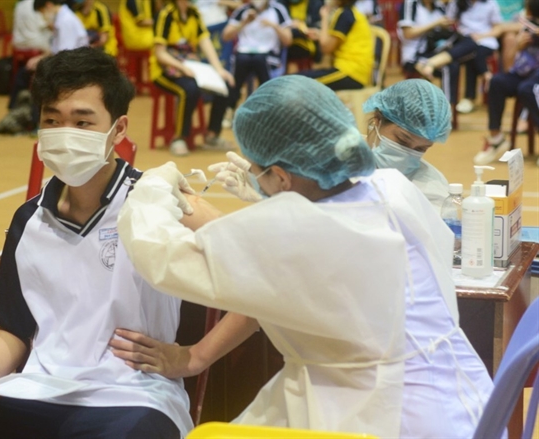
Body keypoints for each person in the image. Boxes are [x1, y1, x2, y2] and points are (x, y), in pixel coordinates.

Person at [112, 75, 494, 437]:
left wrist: (151, 188)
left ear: (281, 176)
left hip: (388, 415)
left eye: (264, 176)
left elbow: (162, 257)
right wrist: (268, 199)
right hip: (464, 397)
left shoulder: (293, 235)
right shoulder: (391, 187)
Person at [0, 47, 192, 439]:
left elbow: (257, 276)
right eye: (52, 120)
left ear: (118, 129)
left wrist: (191, 359)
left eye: (82, 122)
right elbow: (16, 327)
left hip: (134, 399)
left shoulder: (157, 201)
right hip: (35, 393)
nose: (65, 133)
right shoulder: (28, 219)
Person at [151, 0, 236, 156]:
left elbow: (205, 41)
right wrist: (182, 68)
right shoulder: (165, 16)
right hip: (164, 71)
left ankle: (212, 135)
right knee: (189, 89)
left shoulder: (194, 14)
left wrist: (219, 69)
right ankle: (179, 139)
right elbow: (160, 53)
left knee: (225, 83)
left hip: (191, 67)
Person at [363, 79, 453, 211]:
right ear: (378, 120)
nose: (407, 154)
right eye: (402, 141)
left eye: (421, 149)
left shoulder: (431, 190)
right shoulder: (335, 167)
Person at [474, 0, 539, 165]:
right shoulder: (527, 27)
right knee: (497, 82)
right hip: (524, 73)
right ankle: (497, 139)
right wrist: (518, 46)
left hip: (534, 80)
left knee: (527, 89)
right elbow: (509, 66)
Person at [415, 0, 504, 114]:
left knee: (473, 50)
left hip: (485, 41)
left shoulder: (490, 4)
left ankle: (430, 63)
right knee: (466, 48)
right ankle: (480, 83)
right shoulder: (458, 3)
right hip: (462, 40)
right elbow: (449, 21)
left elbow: (498, 28)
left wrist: (482, 36)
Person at [220, 0, 293, 128]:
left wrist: (273, 25)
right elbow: (225, 36)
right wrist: (244, 22)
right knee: (241, 62)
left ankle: (269, 111)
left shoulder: (278, 10)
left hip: (268, 55)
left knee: (260, 61)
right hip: (244, 53)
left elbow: (288, 40)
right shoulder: (243, 10)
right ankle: (230, 109)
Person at [297, 0, 374, 90]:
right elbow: (334, 40)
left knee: (299, 81)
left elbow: (325, 48)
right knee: (299, 78)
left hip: (351, 73)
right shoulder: (349, 12)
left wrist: (324, 17)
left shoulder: (346, 14)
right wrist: (319, 35)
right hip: (350, 71)